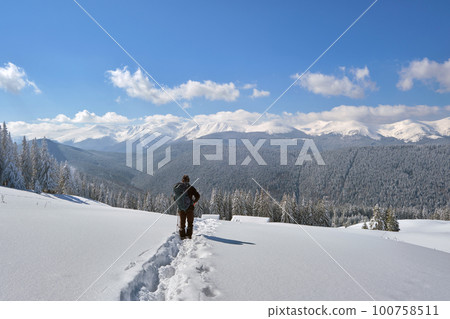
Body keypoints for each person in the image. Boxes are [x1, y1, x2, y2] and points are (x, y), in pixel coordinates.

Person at [173, 175, 200, 239]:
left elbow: (174, 198)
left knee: (182, 223)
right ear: (188, 180)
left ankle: (182, 236)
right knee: (190, 222)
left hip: (180, 208)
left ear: (182, 180)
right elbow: (198, 196)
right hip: (190, 208)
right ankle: (189, 235)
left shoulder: (178, 188)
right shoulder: (191, 188)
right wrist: (194, 202)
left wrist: (179, 203)